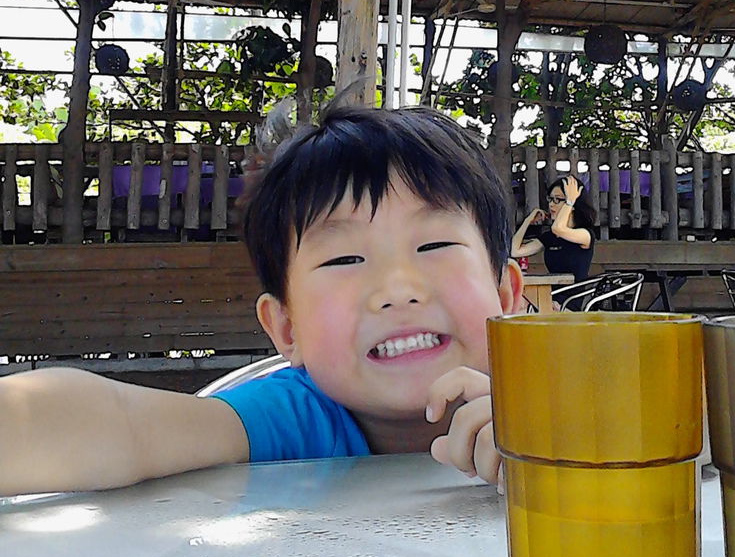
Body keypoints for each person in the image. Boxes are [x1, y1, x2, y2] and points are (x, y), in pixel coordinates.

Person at [0, 105, 524, 497]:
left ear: (505, 295)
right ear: (287, 330)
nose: (398, 288)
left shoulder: (556, 404)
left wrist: (549, 448)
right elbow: (119, 425)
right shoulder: (291, 419)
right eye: (344, 259)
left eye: (434, 245)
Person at [511, 174, 596, 295]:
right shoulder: (550, 236)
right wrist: (527, 221)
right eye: (550, 199)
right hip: (550, 296)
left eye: (558, 200)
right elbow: (515, 251)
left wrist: (570, 202)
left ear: (573, 204)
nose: (551, 204)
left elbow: (558, 228)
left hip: (570, 301)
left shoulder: (585, 234)